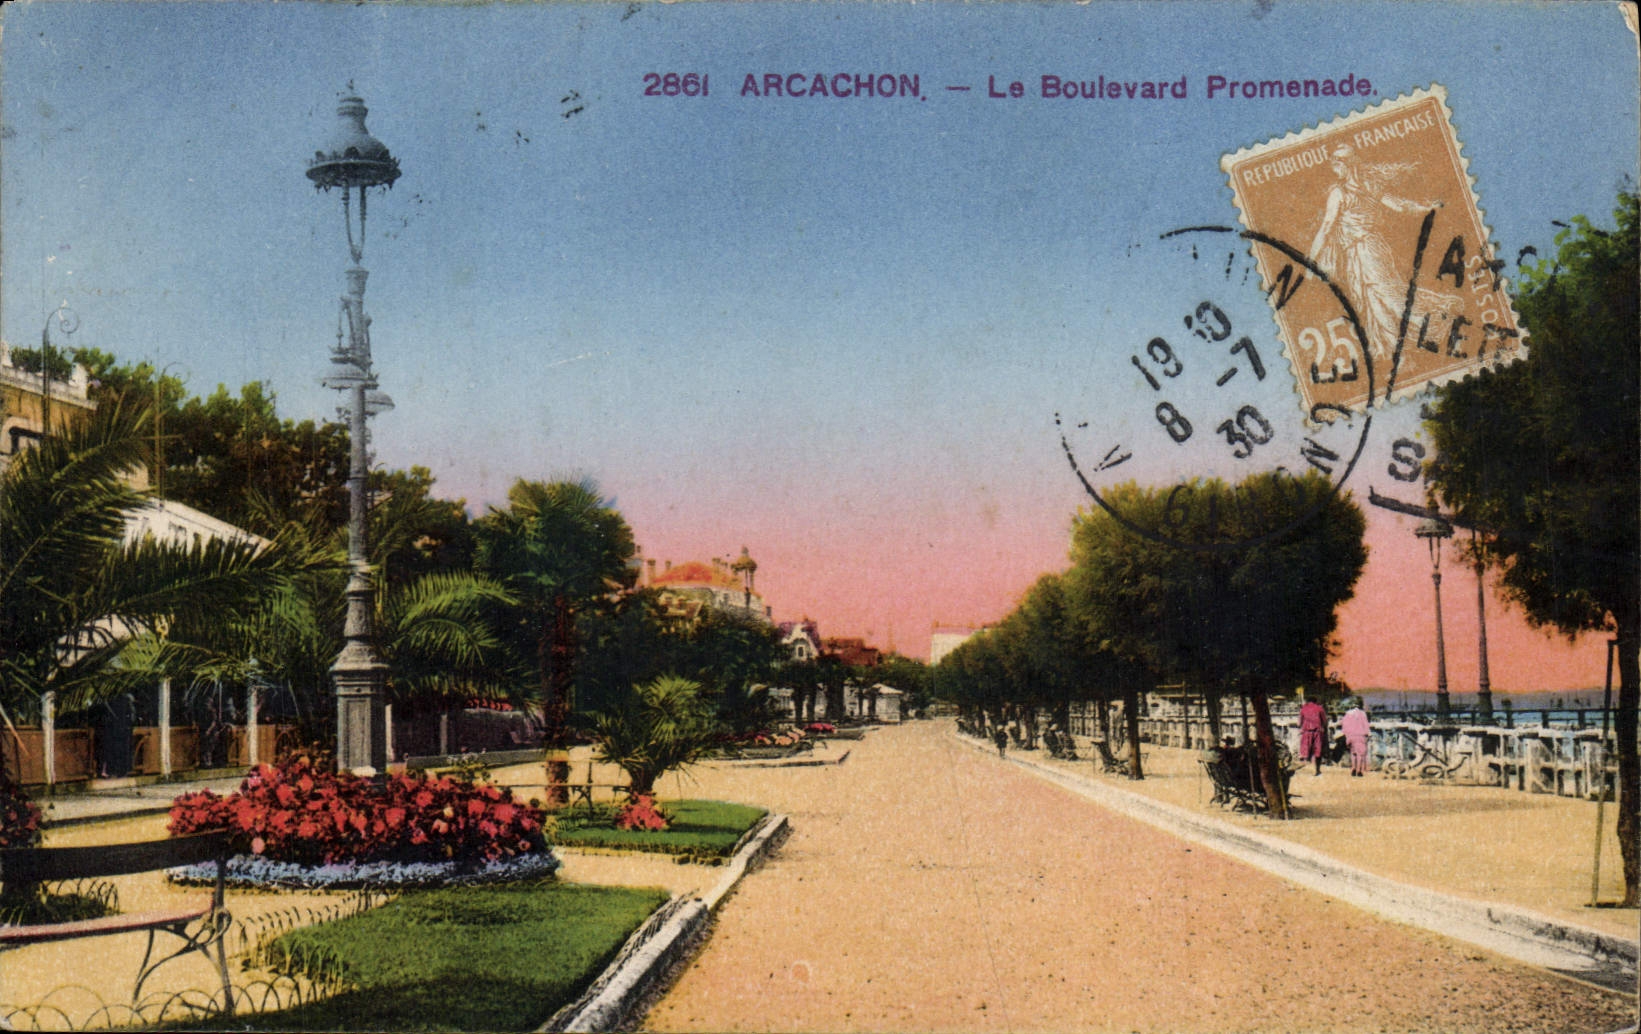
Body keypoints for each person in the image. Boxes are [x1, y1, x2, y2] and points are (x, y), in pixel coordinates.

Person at [1341, 699, 1372, 777]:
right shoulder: (1363, 714)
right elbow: (1366, 725)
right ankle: (1359, 770)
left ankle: (1353, 768)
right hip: (1360, 735)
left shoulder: (1348, 713)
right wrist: (1368, 734)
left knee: (1353, 752)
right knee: (1360, 754)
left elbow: (1344, 725)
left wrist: (1346, 735)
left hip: (1351, 736)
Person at [1298, 697, 1329, 775]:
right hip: (1317, 732)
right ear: (1316, 701)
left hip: (1306, 732)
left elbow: (1299, 723)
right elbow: (1325, 721)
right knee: (1317, 750)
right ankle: (1316, 769)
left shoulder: (1303, 709)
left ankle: (1310, 767)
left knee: (1307, 750)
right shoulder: (1320, 708)